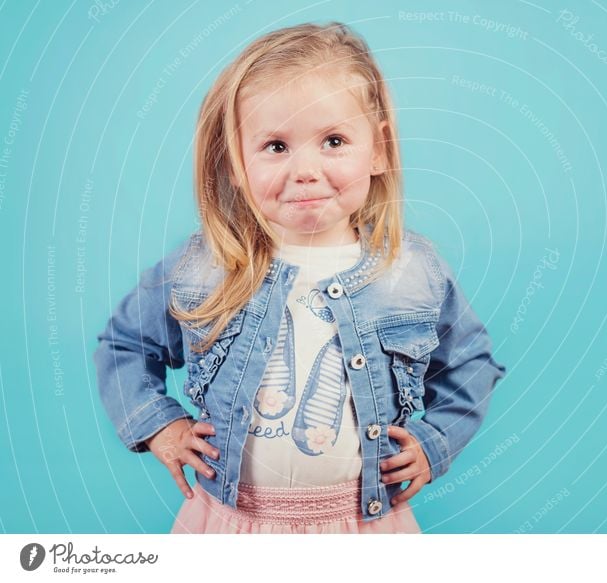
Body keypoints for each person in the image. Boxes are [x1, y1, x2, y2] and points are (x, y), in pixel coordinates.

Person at [93, 21, 506, 534]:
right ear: (236, 161)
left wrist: (434, 441)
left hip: (362, 524)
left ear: (377, 148)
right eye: (276, 146)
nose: (305, 169)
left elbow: (471, 363)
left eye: (333, 140)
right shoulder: (205, 265)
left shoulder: (411, 271)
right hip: (230, 522)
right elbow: (124, 344)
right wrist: (160, 424)